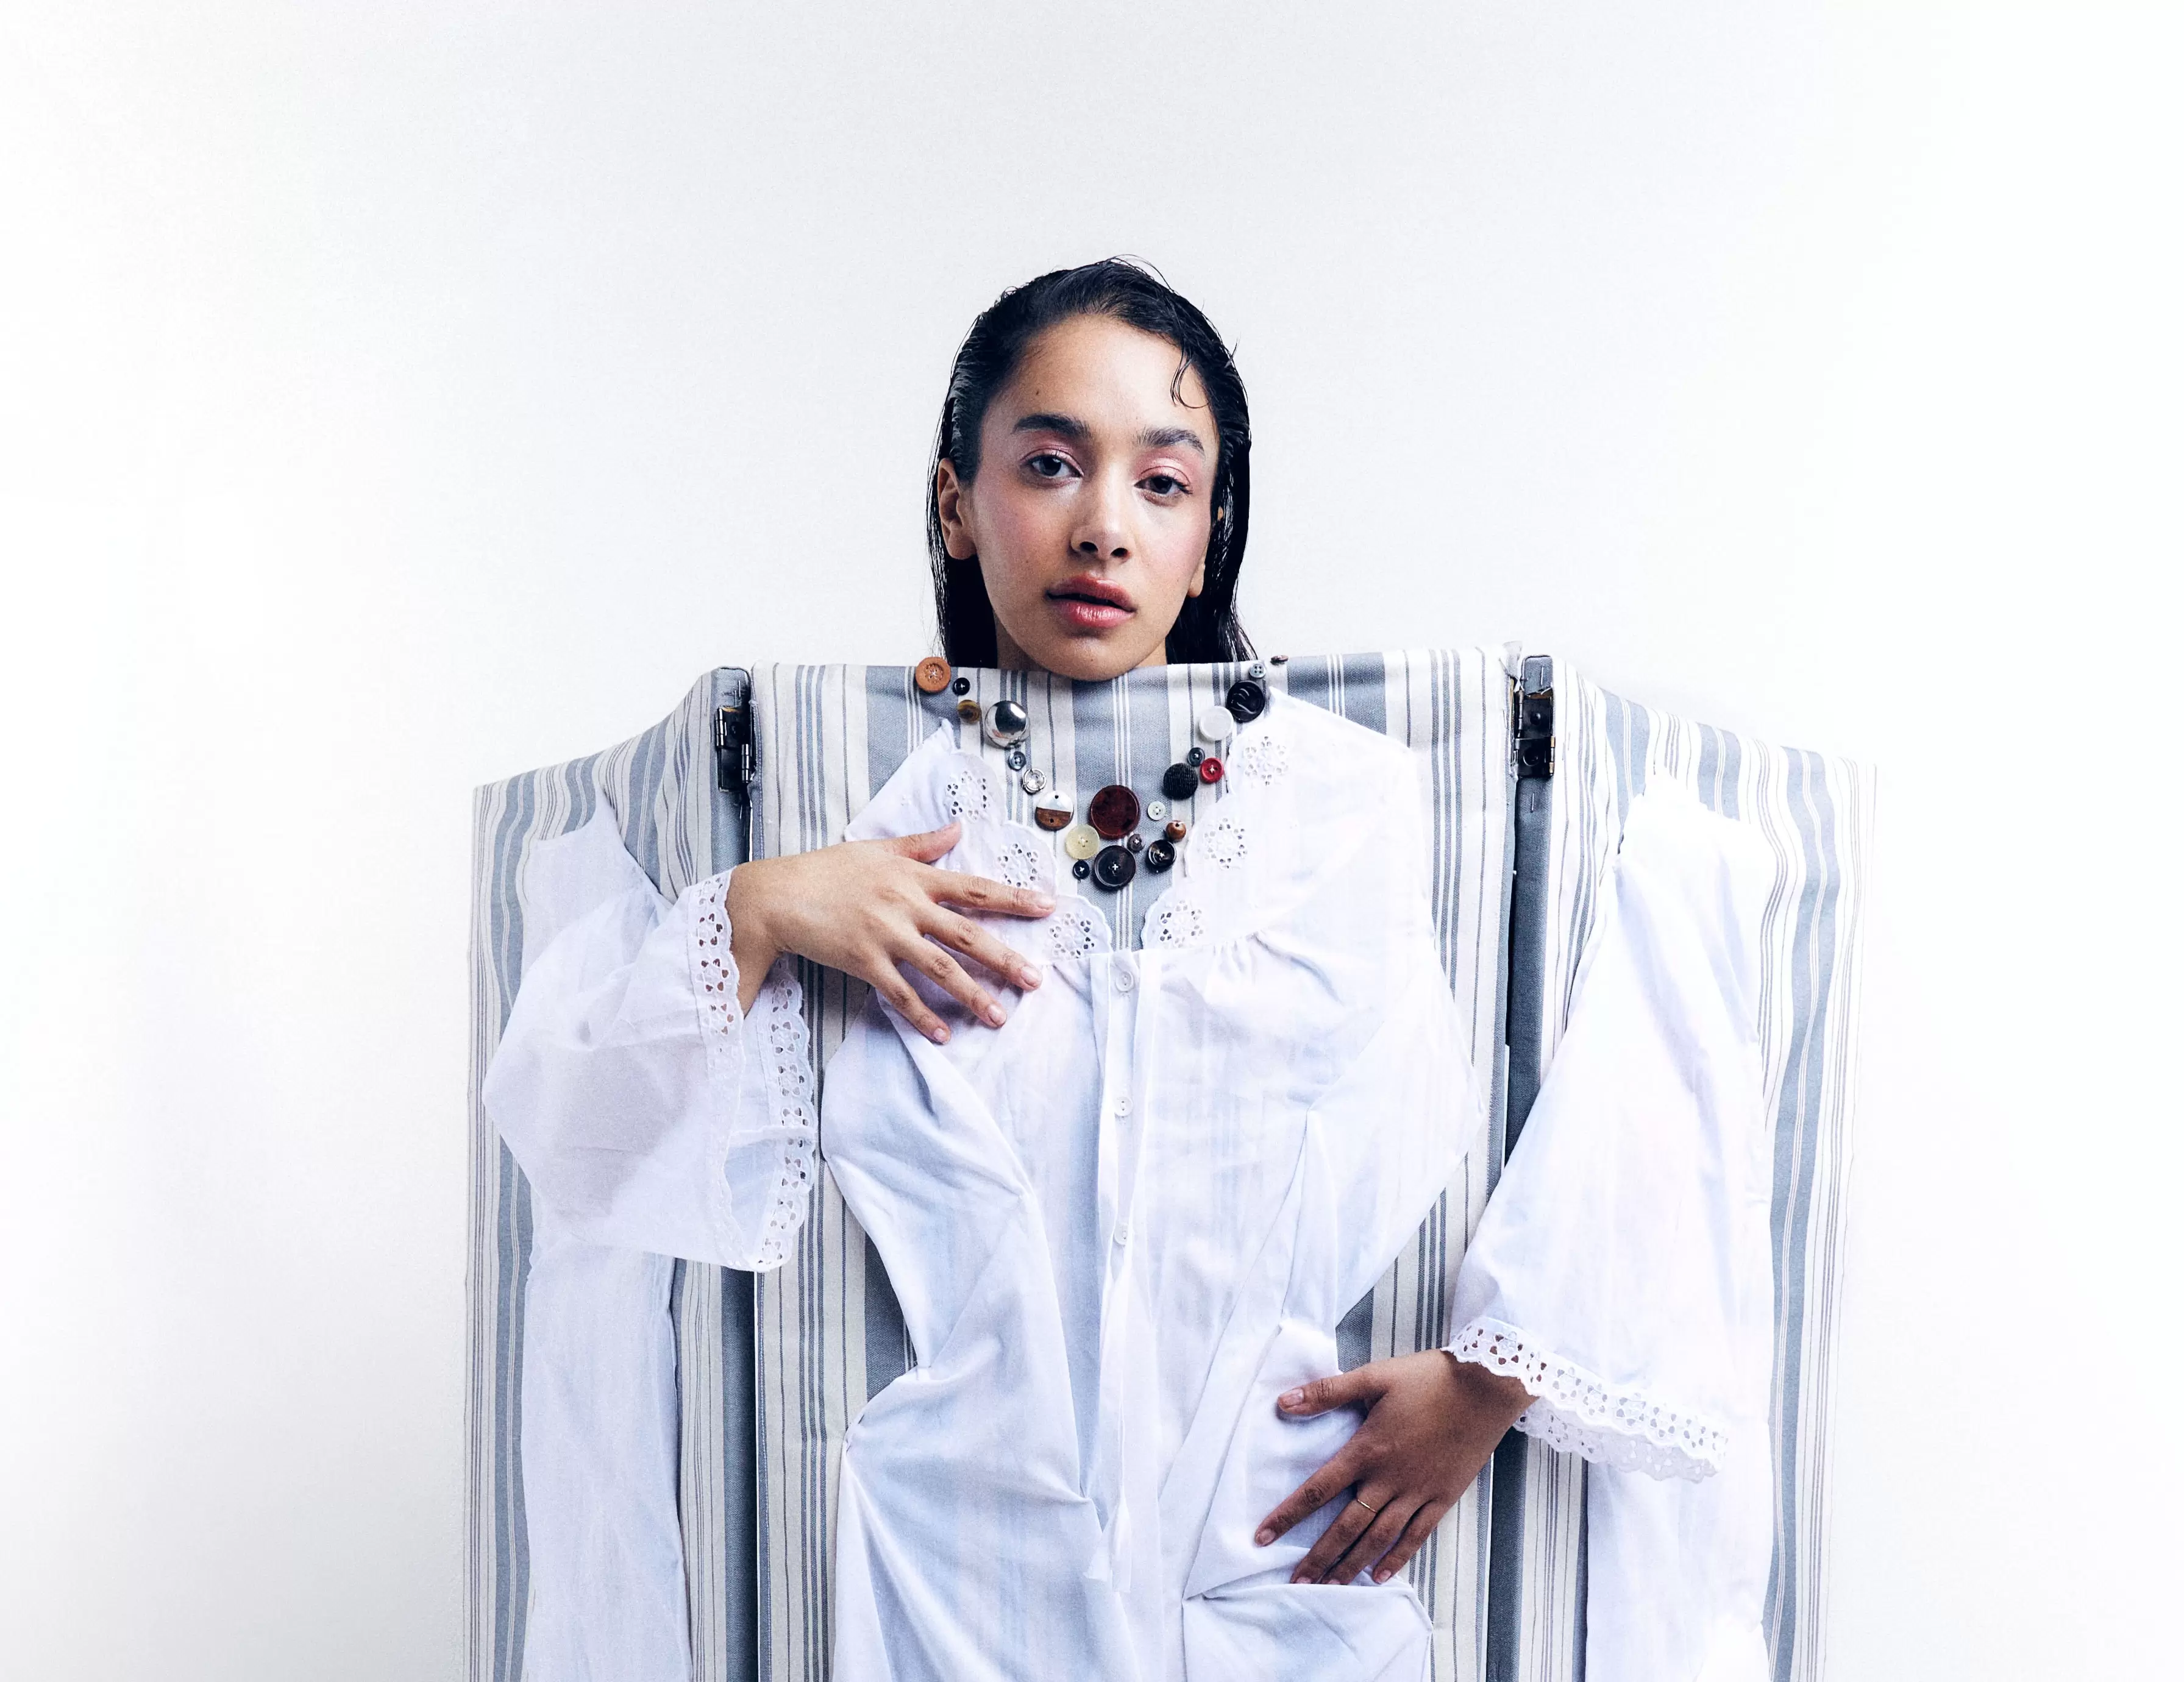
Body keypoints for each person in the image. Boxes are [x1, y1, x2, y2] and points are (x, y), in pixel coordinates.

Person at [486, 259, 1774, 1681]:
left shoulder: (1367, 800)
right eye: (1049, 465)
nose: (1103, 527)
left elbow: (1667, 1021)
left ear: (1210, 531)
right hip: (956, 1554)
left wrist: (1495, 1375)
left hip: (1289, 1520)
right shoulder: (863, 809)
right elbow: (575, 1148)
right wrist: (756, 907)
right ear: (955, 502)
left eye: (1163, 484)